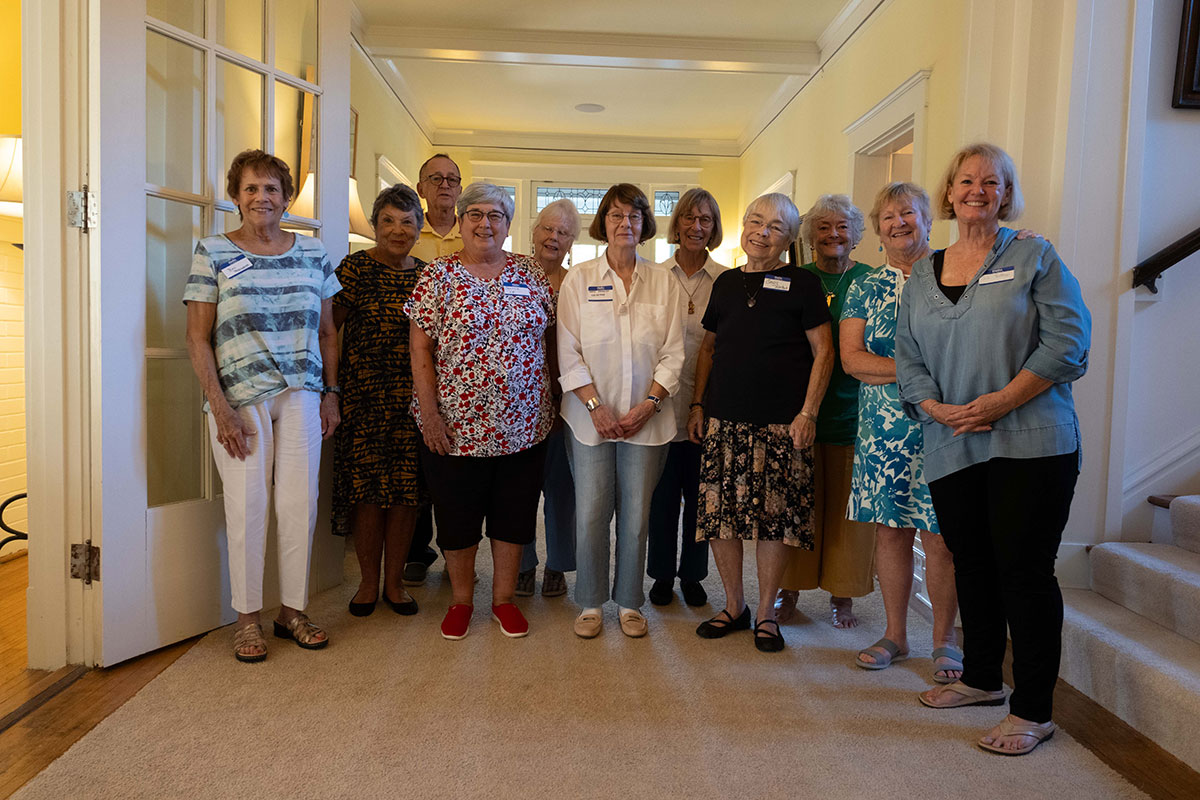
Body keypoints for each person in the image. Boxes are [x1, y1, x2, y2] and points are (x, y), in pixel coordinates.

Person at [896, 143, 1091, 756]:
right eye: (966, 181)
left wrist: (1000, 402)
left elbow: (1068, 343)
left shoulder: (1035, 255)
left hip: (1031, 443)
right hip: (951, 440)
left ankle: (1033, 710)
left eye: (991, 181)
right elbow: (908, 357)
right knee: (971, 563)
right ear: (949, 193)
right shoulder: (923, 273)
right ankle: (981, 677)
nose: (977, 190)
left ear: (1006, 194)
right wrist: (935, 408)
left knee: (1024, 573)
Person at [183, 149, 340, 662]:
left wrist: (331, 394)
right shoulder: (212, 251)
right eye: (250, 188)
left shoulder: (313, 252)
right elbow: (197, 337)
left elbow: (327, 332)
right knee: (247, 508)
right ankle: (247, 619)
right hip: (240, 399)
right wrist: (219, 406)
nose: (261, 197)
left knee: (299, 506)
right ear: (236, 196)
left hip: (303, 396)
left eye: (271, 188)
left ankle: (292, 611)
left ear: (286, 197)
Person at [406, 182, 556, 641]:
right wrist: (430, 415)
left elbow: (550, 338)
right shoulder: (438, 275)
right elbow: (419, 347)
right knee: (458, 517)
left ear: (508, 225)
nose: (485, 223)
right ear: (461, 221)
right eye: (475, 214)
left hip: (524, 424)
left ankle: (504, 600)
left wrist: (556, 397)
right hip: (455, 425)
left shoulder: (530, 272)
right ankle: (461, 600)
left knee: (514, 515)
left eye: (495, 215)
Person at [687, 193, 833, 652]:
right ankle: (735, 605)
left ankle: (767, 612)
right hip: (723, 419)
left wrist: (808, 412)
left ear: (789, 239)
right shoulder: (726, 283)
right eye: (755, 221)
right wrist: (697, 406)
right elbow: (708, 348)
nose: (762, 232)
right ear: (744, 227)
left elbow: (824, 352)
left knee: (776, 521)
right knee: (720, 519)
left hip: (782, 425)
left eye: (775, 227)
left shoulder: (804, 284)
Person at [841, 182, 960, 681]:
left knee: (941, 537)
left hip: (942, 424)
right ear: (877, 229)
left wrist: (890, 370)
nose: (898, 223)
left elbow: (964, 351)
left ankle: (945, 640)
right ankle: (895, 634)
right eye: (887, 217)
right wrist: (916, 372)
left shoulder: (954, 273)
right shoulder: (864, 286)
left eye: (907, 213)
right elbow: (852, 360)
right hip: (881, 431)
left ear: (928, 220)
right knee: (890, 533)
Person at [557, 183, 685, 639]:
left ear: (645, 224)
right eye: (615, 215)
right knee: (591, 512)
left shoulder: (664, 282)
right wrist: (595, 406)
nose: (625, 223)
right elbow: (568, 351)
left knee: (636, 516)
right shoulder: (578, 279)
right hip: (588, 419)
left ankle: (630, 602)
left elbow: (674, 353)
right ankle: (591, 602)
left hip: (648, 421)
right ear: (603, 223)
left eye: (634, 215)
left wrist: (649, 405)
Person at [776, 194, 875, 629]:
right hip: (800, 413)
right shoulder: (796, 279)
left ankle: (843, 595)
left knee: (848, 514)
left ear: (856, 234)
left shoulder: (873, 279)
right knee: (797, 508)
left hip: (858, 415)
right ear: (809, 236)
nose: (833, 234)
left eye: (842, 226)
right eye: (823, 227)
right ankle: (789, 589)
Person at [331, 184, 427, 618]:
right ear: (374, 225)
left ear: (419, 229)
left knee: (406, 494)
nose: (397, 230)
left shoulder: (427, 276)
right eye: (388, 221)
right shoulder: (353, 270)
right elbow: (327, 333)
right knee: (368, 494)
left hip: (412, 401)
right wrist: (330, 390)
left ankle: (395, 584)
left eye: (407, 222)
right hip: (363, 400)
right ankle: (368, 582)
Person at [646, 188, 726, 608]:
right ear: (676, 224)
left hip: (707, 406)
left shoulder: (728, 281)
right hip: (660, 405)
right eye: (689, 218)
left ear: (714, 228)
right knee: (661, 500)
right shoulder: (654, 276)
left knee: (701, 498)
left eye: (705, 220)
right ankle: (661, 574)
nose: (697, 226)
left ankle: (693, 575)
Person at [403, 153, 464, 586]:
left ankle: (455, 552)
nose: (444, 185)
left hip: (461, 376)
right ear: (421, 187)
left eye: (452, 179)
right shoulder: (409, 231)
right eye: (435, 178)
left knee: (454, 473)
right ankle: (417, 550)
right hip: (412, 362)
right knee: (418, 466)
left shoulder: (476, 231)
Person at [515, 199, 581, 598]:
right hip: (519, 400)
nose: (553, 238)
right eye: (548, 229)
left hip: (564, 399)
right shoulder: (512, 275)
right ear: (534, 232)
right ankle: (522, 564)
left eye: (563, 233)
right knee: (520, 488)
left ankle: (558, 564)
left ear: (572, 242)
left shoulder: (577, 284)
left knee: (562, 488)